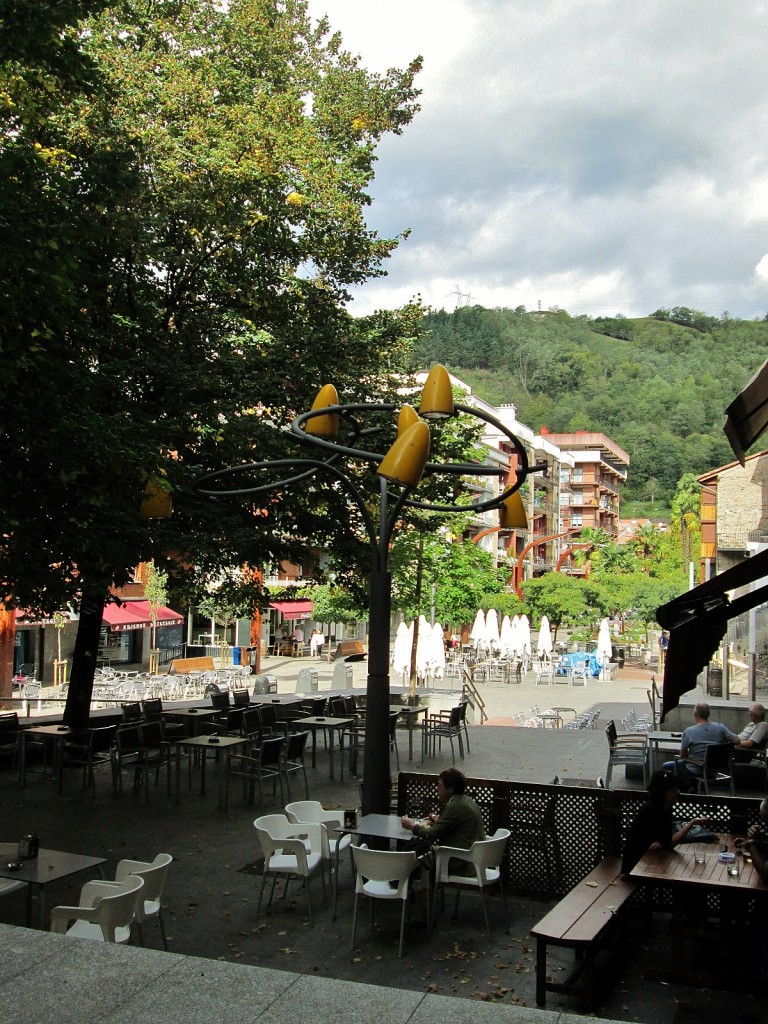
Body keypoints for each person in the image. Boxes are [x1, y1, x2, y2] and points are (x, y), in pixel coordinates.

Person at [621, 770, 709, 875]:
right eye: (673, 789)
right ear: (663, 791)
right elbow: (664, 844)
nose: (678, 792)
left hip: (651, 864)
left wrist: (691, 823)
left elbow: (668, 842)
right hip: (637, 868)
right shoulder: (651, 811)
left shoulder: (666, 809)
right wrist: (659, 845)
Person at [401, 767, 485, 873]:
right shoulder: (466, 801)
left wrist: (412, 826)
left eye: (440, 786)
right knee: (422, 851)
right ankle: (421, 887)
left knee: (418, 852)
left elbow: (431, 835)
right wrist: (439, 822)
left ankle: (404, 883)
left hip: (460, 861)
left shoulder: (455, 806)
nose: (437, 789)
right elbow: (456, 826)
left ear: (450, 789)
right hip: (475, 857)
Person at [662, 701, 737, 792]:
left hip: (697, 768)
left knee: (667, 766)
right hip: (715, 770)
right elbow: (736, 740)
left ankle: (687, 788)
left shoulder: (689, 731)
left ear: (695, 714)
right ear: (709, 714)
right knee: (689, 763)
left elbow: (682, 754)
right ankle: (692, 786)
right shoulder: (720, 728)